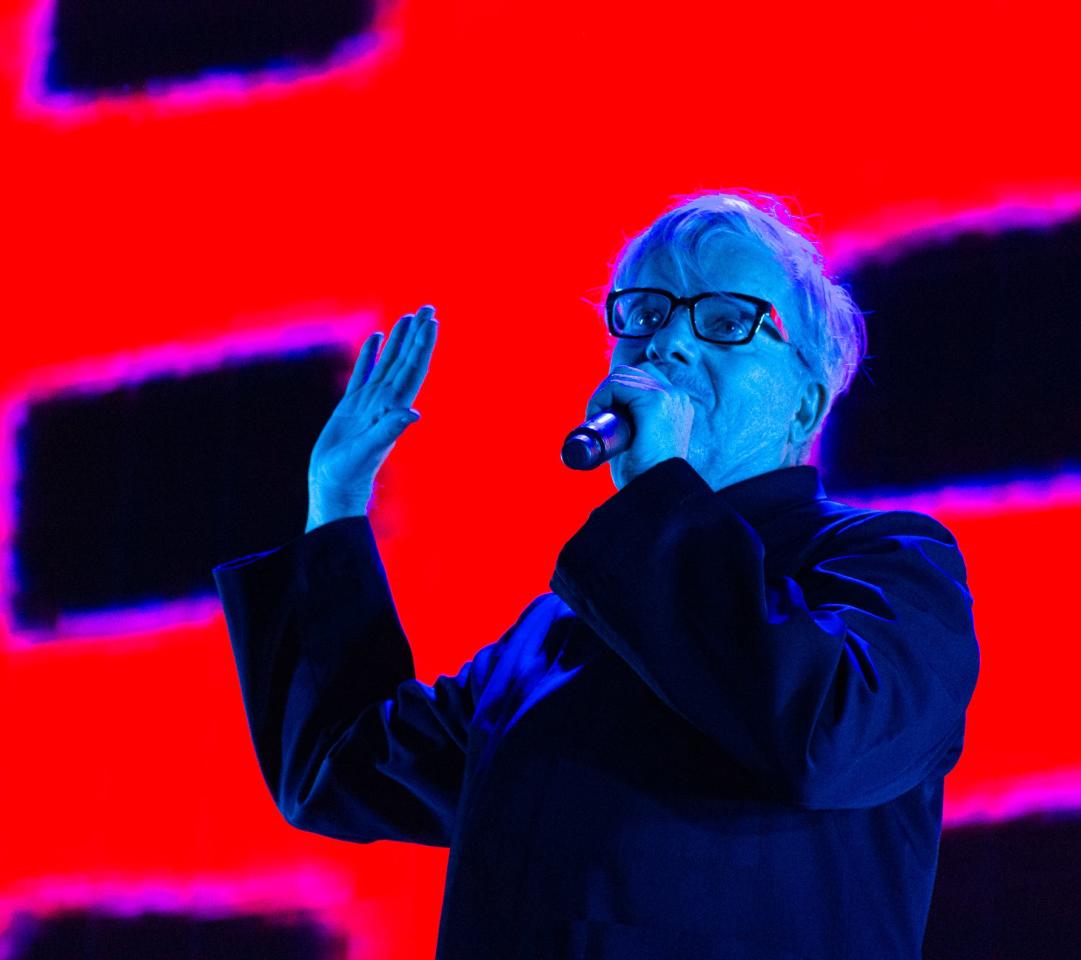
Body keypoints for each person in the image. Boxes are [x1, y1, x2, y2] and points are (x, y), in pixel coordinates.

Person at [212, 191, 981, 960]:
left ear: (805, 403)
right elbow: (338, 767)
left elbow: (826, 737)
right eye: (644, 313)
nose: (668, 345)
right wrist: (337, 502)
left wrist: (658, 491)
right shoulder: (556, 635)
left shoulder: (885, 565)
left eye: (724, 321)